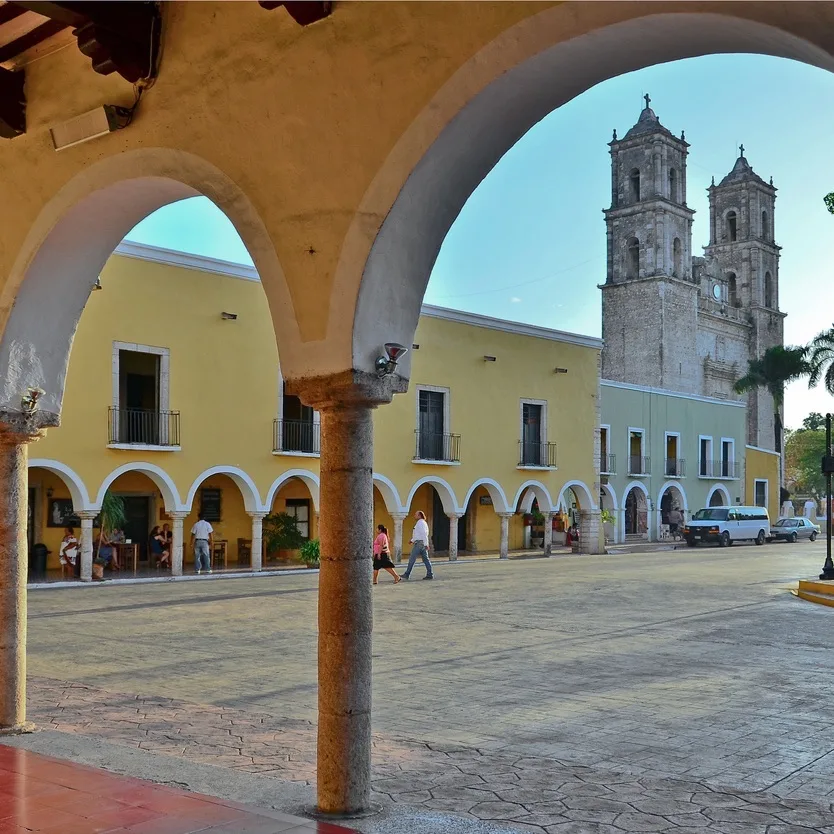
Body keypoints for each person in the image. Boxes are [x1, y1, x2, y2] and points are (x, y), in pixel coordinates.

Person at [402, 510, 433, 580]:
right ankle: (430, 574)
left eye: (416, 515)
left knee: (412, 559)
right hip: (421, 542)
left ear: (419, 515)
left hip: (419, 543)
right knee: (426, 559)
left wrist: (426, 544)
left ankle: (407, 574)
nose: (414, 516)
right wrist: (412, 540)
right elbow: (418, 534)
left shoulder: (420, 523)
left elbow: (424, 534)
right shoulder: (422, 523)